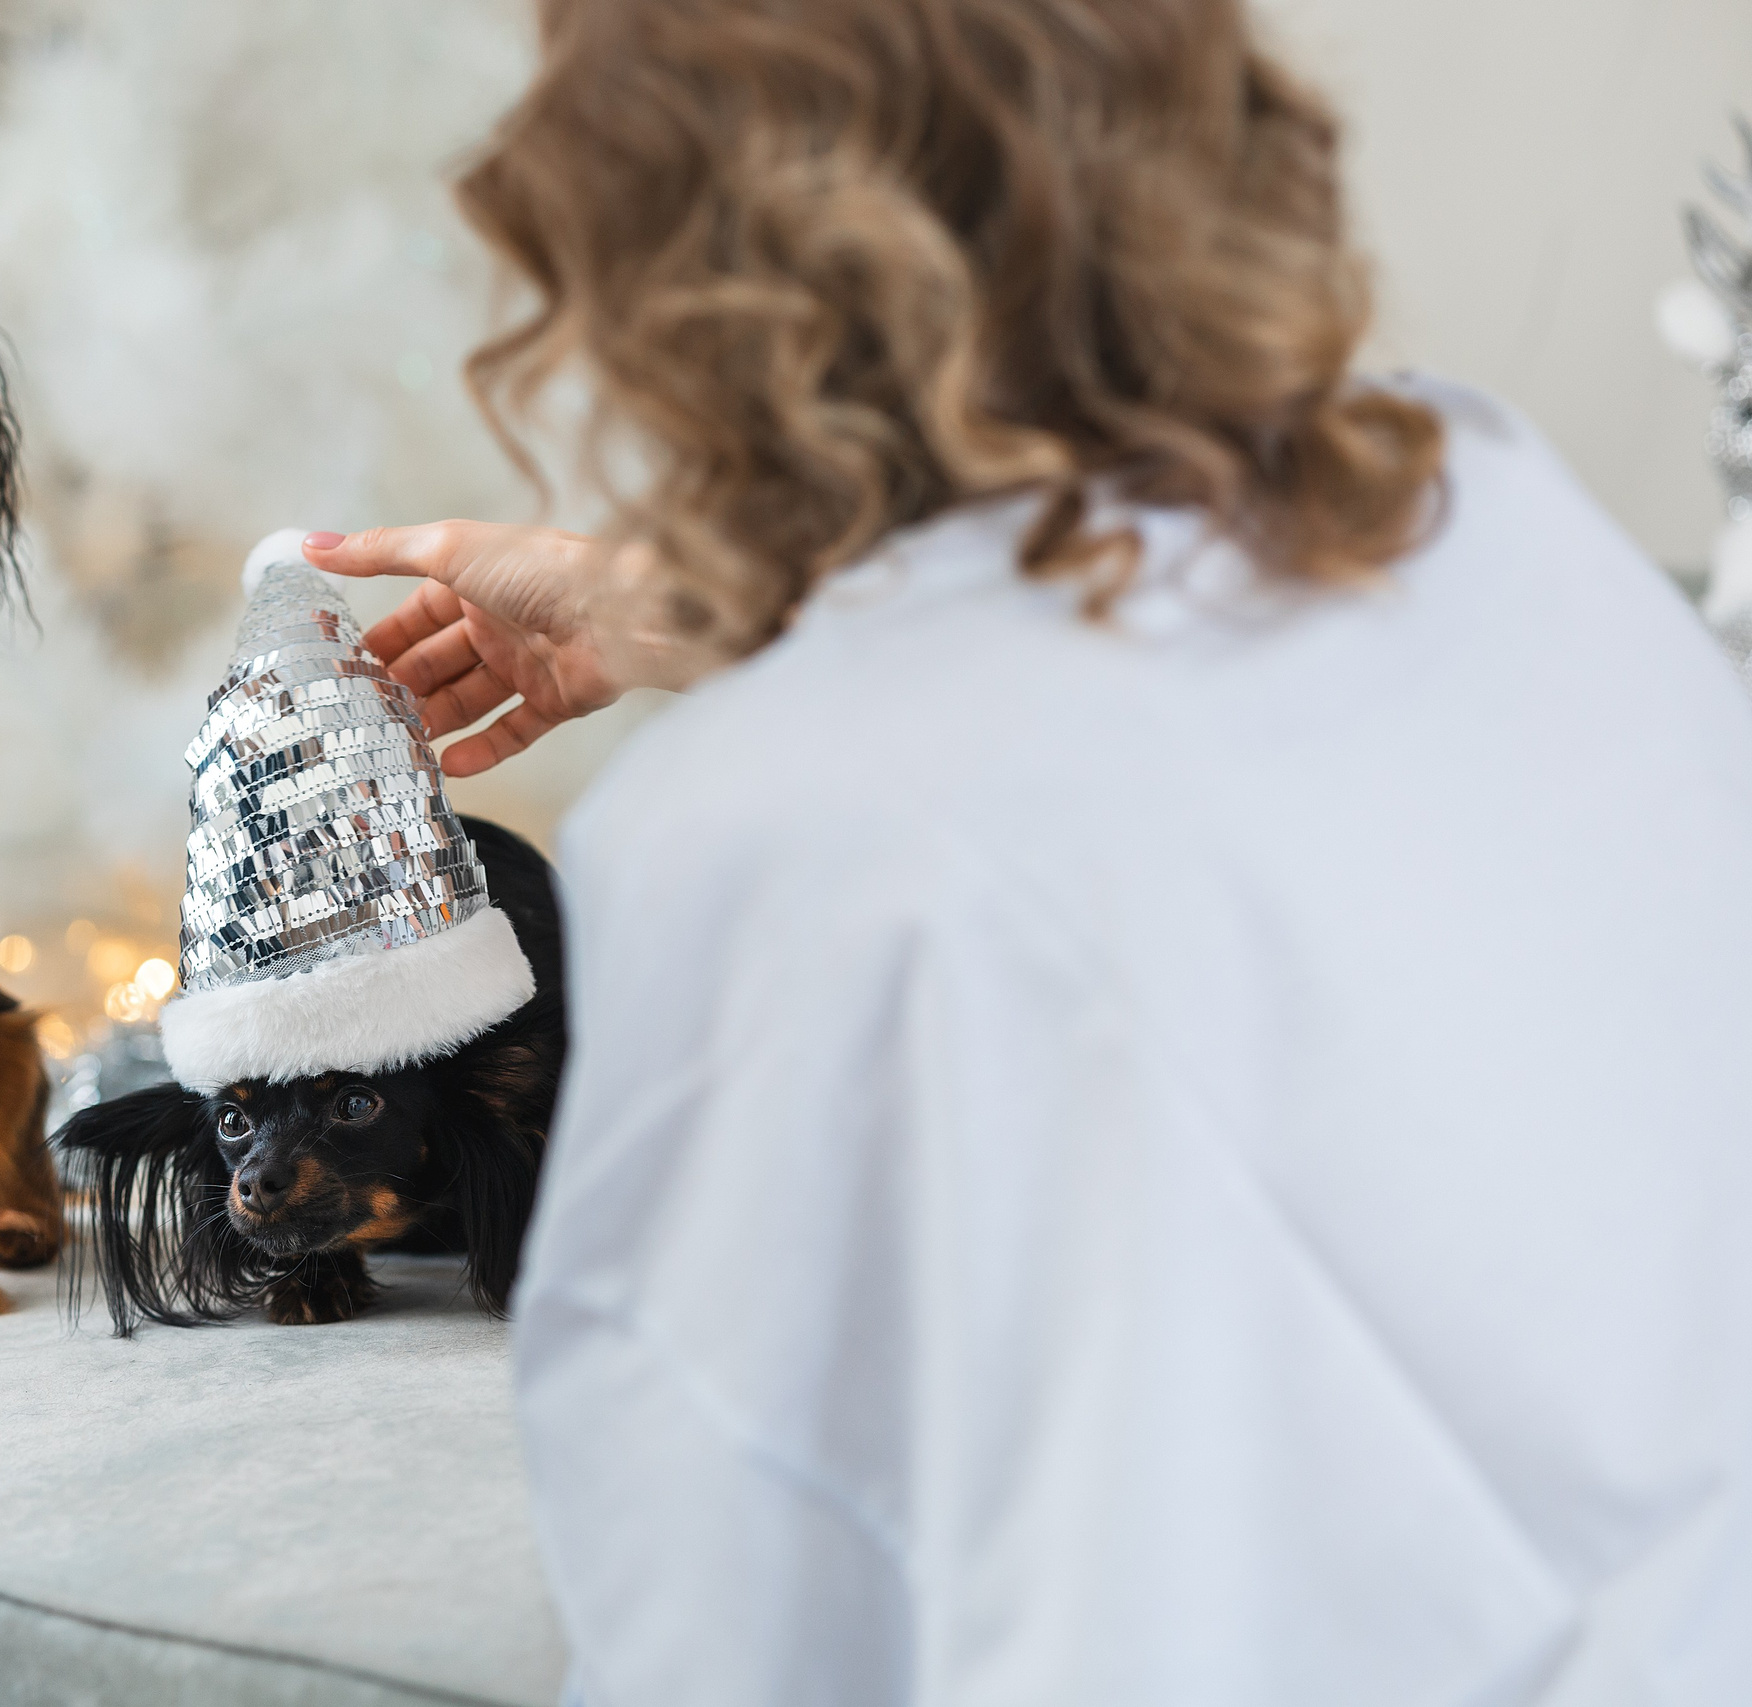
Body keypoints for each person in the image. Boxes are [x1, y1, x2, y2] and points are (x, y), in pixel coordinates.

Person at [299, 0, 1752, 1702]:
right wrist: (703, 609)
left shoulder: (769, 834)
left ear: (683, 262)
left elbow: (721, 1597)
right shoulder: (1486, 500)